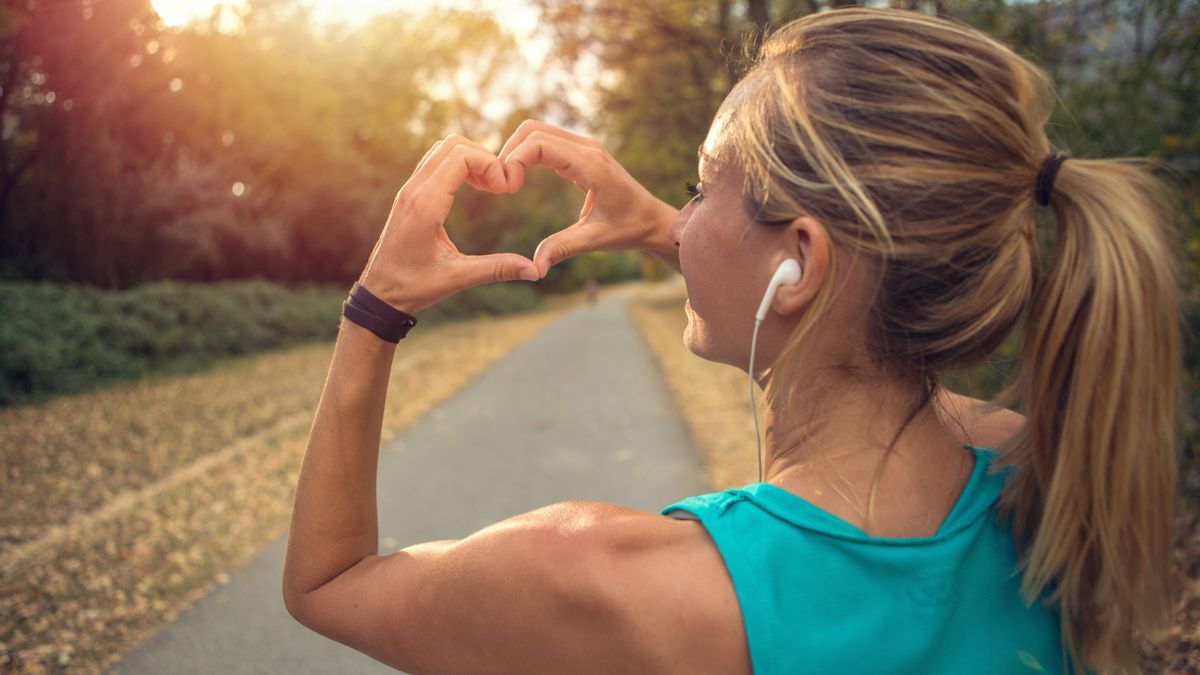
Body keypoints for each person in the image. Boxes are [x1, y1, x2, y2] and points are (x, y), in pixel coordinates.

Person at [282, 7, 1183, 674]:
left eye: (703, 183)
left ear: (798, 263)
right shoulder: (1040, 469)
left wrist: (375, 307)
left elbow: (329, 582)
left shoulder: (615, 585)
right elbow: (835, 302)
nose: (684, 215)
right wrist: (669, 226)